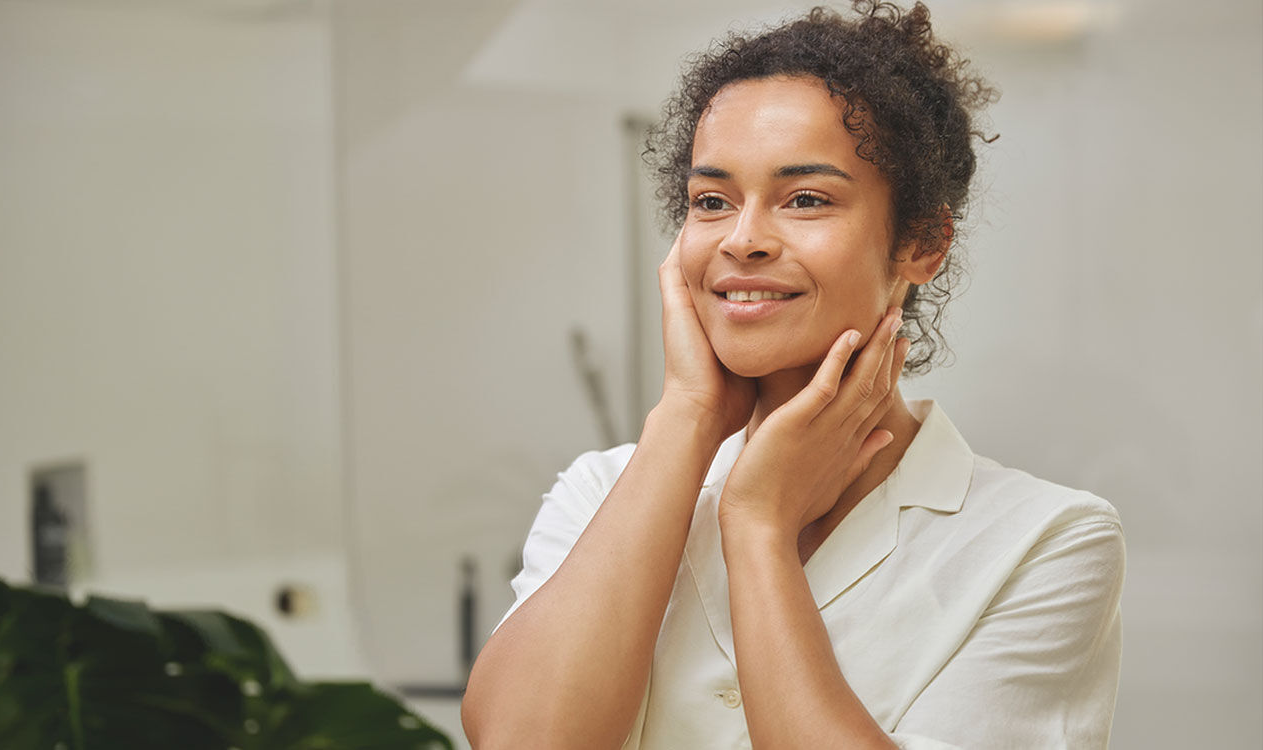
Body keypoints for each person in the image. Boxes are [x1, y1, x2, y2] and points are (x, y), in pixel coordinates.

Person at [461, 2, 1125, 748]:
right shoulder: (599, 493)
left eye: (805, 199)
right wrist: (686, 414)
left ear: (921, 242)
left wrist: (758, 530)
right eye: (711, 201)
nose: (742, 239)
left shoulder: (1042, 539)